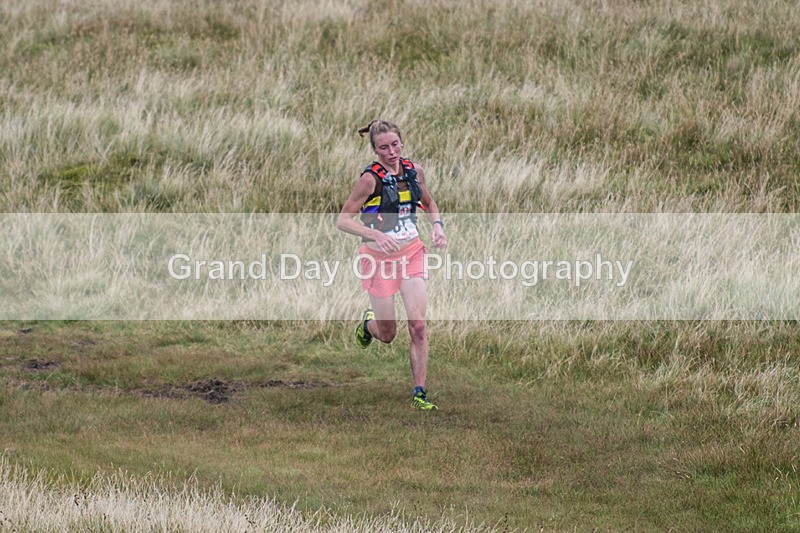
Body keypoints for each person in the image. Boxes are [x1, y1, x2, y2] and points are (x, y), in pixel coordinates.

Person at [336, 120, 447, 410]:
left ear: (402, 143)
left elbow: (430, 203)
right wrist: (374, 234)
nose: (391, 151)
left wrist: (437, 226)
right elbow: (343, 220)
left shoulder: (414, 171)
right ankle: (368, 325)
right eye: (383, 147)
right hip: (378, 261)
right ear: (374, 149)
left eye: (395, 144)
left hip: (412, 254)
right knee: (387, 335)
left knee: (419, 327)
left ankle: (419, 393)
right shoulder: (369, 180)